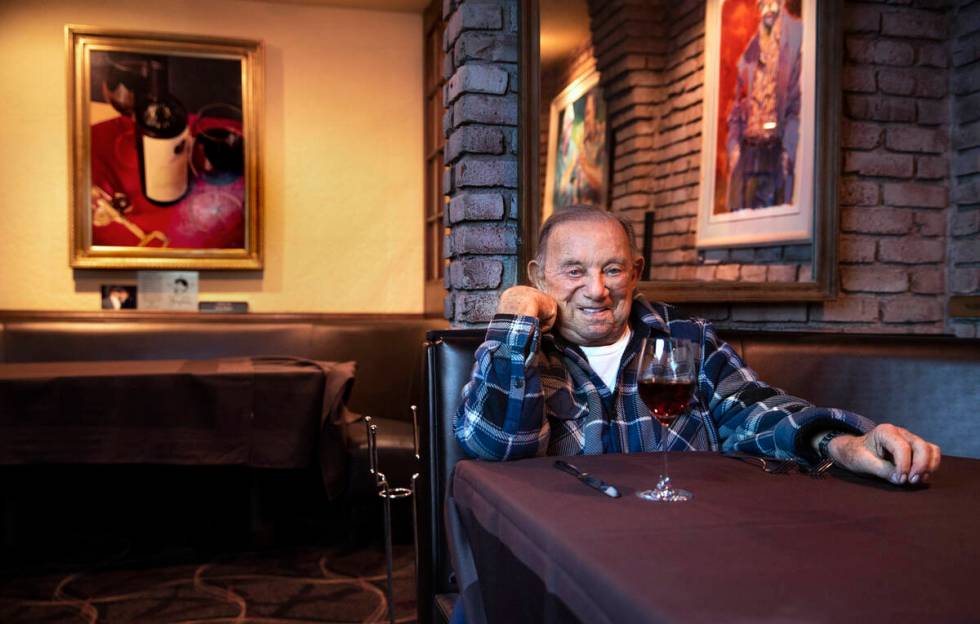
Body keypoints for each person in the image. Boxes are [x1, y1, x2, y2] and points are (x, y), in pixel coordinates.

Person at [455, 206, 941, 485]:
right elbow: (496, 449)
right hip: (568, 549)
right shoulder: (523, 348)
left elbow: (756, 411)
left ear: (636, 272)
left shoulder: (686, 337)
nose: (597, 290)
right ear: (540, 276)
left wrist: (843, 443)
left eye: (613, 269)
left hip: (685, 540)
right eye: (574, 270)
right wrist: (516, 315)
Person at [725, 0, 801, 211]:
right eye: (763, 5)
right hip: (751, 151)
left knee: (775, 207)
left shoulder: (794, 39)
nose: (767, 10)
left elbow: (796, 105)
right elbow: (736, 106)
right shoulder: (750, 53)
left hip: (776, 149)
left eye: (772, 4)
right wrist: (733, 147)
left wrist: (789, 147)